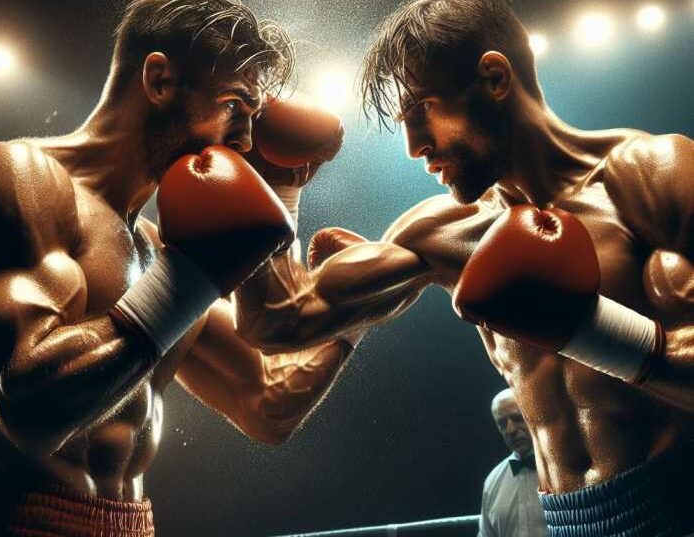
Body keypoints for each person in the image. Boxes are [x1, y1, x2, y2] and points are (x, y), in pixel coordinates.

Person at [231, 1, 694, 535]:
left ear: (495, 78)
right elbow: (277, 321)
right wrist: (271, 192)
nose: (413, 147)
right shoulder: (446, 233)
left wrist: (593, 332)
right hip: (565, 524)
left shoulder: (648, 177)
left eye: (421, 109)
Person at [0, 0, 351, 535]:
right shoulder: (25, 176)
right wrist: (193, 279)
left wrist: (358, 303)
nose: (245, 141)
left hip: (135, 523)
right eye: (233, 109)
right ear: (159, 80)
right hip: (26, 520)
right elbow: (29, 412)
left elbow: (267, 403)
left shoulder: (160, 248)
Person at [479, 388, 546, 537]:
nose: (510, 430)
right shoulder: (492, 481)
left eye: (517, 418)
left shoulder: (567, 471)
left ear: (534, 414)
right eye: (502, 423)